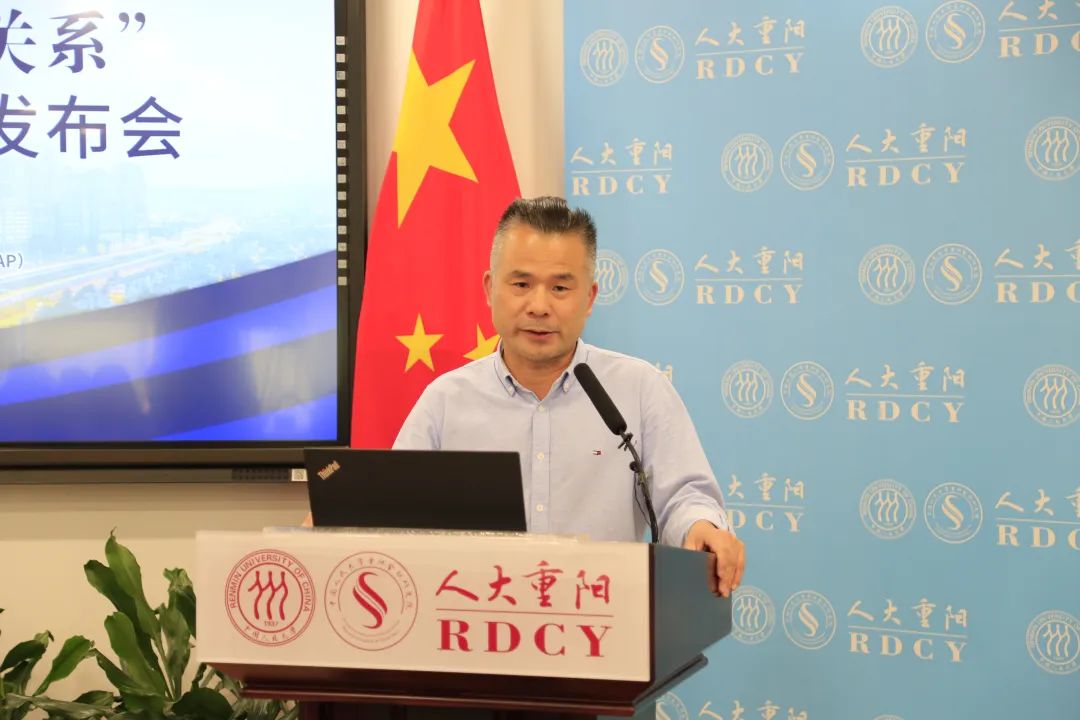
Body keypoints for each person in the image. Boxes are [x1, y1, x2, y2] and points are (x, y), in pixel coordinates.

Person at [394, 196, 745, 597]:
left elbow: (684, 497)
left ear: (589, 298)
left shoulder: (638, 389)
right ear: (490, 289)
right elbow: (397, 514)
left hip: (603, 617)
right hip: (478, 619)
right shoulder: (445, 402)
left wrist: (701, 526)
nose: (539, 306)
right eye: (521, 285)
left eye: (560, 287)